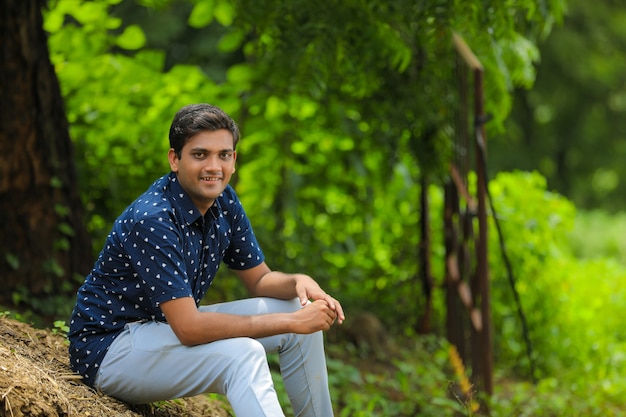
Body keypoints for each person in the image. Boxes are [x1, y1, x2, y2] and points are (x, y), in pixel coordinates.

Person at [68, 103, 345, 417]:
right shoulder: (153, 218)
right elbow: (189, 328)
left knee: (298, 309)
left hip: (161, 331)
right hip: (111, 349)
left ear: (234, 160)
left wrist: (298, 282)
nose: (214, 166)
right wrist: (290, 322)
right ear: (175, 159)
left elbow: (259, 280)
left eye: (223, 155)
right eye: (200, 154)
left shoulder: (224, 200)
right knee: (244, 353)